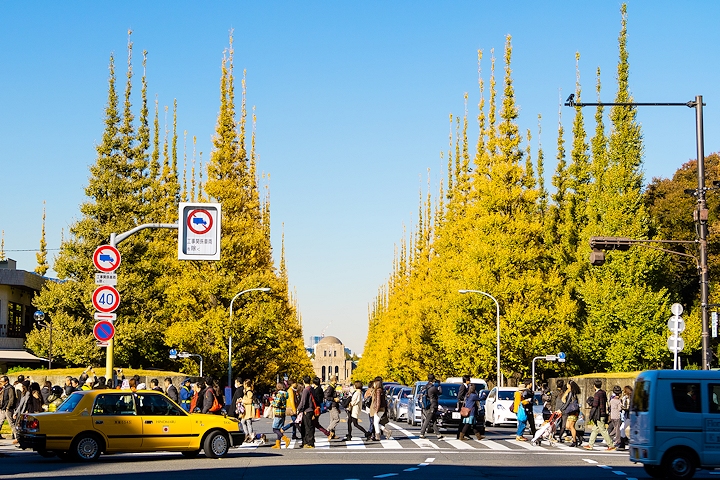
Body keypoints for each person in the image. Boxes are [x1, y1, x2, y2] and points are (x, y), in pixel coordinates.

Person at [584, 379, 615, 451]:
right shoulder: (603, 392)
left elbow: (595, 404)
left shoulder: (597, 394)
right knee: (595, 429)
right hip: (603, 413)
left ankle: (611, 445)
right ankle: (590, 444)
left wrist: (590, 402)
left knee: (603, 430)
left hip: (599, 414)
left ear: (594, 386)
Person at [558, 380, 582, 447]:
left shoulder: (571, 392)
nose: (567, 385)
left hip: (573, 411)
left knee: (571, 426)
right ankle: (579, 437)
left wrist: (561, 409)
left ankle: (574, 441)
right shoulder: (572, 392)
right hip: (571, 411)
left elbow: (567, 402)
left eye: (568, 384)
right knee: (568, 426)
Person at [419, 374, 443, 440]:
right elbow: (440, 392)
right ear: (433, 379)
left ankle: (438, 435)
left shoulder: (425, 387)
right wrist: (439, 385)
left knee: (433, 420)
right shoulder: (432, 388)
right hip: (432, 405)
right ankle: (422, 433)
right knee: (428, 420)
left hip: (426, 405)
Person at [296, 375, 316, 448]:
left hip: (306, 410)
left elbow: (303, 401)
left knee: (307, 427)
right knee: (305, 427)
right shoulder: (311, 389)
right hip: (311, 410)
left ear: (303, 381)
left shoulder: (305, 390)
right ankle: (305, 442)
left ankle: (310, 443)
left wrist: (298, 409)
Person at [270, 382, 291, 449]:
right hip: (283, 413)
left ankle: (285, 439)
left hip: (278, 413)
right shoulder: (285, 394)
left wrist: (272, 402)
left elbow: (276, 404)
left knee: (275, 429)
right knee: (279, 429)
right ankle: (278, 444)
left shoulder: (279, 394)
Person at [324, 375, 342, 440]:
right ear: (334, 379)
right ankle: (328, 430)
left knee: (332, 420)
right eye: (336, 379)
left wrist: (338, 407)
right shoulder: (330, 387)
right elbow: (326, 396)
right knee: (337, 419)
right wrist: (334, 399)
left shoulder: (333, 386)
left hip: (333, 405)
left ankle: (332, 434)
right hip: (332, 405)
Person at [0, 376, 16, 440]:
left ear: (6, 381)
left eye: (2, 381)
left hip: (8, 408)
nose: (1, 382)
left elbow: (11, 399)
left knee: (11, 423)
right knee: (0, 422)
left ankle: (17, 437)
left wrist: (8, 407)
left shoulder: (10, 388)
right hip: (3, 408)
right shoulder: (4, 388)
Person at [618, 385, 633, 450]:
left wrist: (622, 407)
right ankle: (624, 442)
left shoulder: (627, 398)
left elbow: (627, 407)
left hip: (628, 416)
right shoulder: (633, 396)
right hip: (632, 415)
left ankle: (623, 444)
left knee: (622, 428)